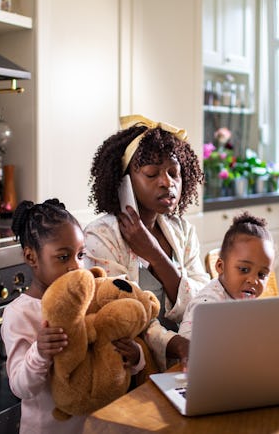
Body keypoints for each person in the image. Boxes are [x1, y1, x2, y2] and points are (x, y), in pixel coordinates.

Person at [1, 199, 145, 434]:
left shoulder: (89, 299)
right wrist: (40, 352)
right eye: (63, 257)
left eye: (80, 255)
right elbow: (20, 387)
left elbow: (106, 361)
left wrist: (135, 357)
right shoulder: (20, 314)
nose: (76, 266)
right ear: (31, 257)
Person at [84, 114, 210, 371]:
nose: (167, 183)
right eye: (152, 174)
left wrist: (155, 255)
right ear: (124, 181)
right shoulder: (101, 236)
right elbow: (123, 313)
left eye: (174, 173)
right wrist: (175, 344)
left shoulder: (183, 231)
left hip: (186, 363)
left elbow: (204, 303)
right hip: (131, 369)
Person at [178, 212, 276, 341]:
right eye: (244, 269)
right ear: (220, 267)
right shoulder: (206, 304)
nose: (253, 280)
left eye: (261, 274)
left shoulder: (244, 299)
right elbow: (188, 347)